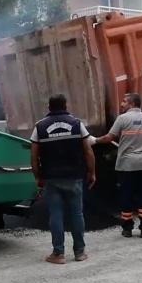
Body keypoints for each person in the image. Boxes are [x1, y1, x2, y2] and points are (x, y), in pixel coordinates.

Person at [30, 94, 96, 264]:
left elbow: (34, 155)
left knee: (56, 214)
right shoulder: (76, 124)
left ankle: (58, 254)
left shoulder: (40, 126)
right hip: (74, 177)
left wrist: (37, 176)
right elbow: (88, 151)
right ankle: (79, 252)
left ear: (49, 107)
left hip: (51, 178)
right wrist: (92, 172)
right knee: (76, 213)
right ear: (66, 106)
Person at [94, 93, 142, 238]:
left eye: (124, 101)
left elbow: (109, 137)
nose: (121, 104)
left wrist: (94, 140)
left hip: (126, 165)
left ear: (132, 104)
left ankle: (127, 229)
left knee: (126, 195)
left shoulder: (123, 118)